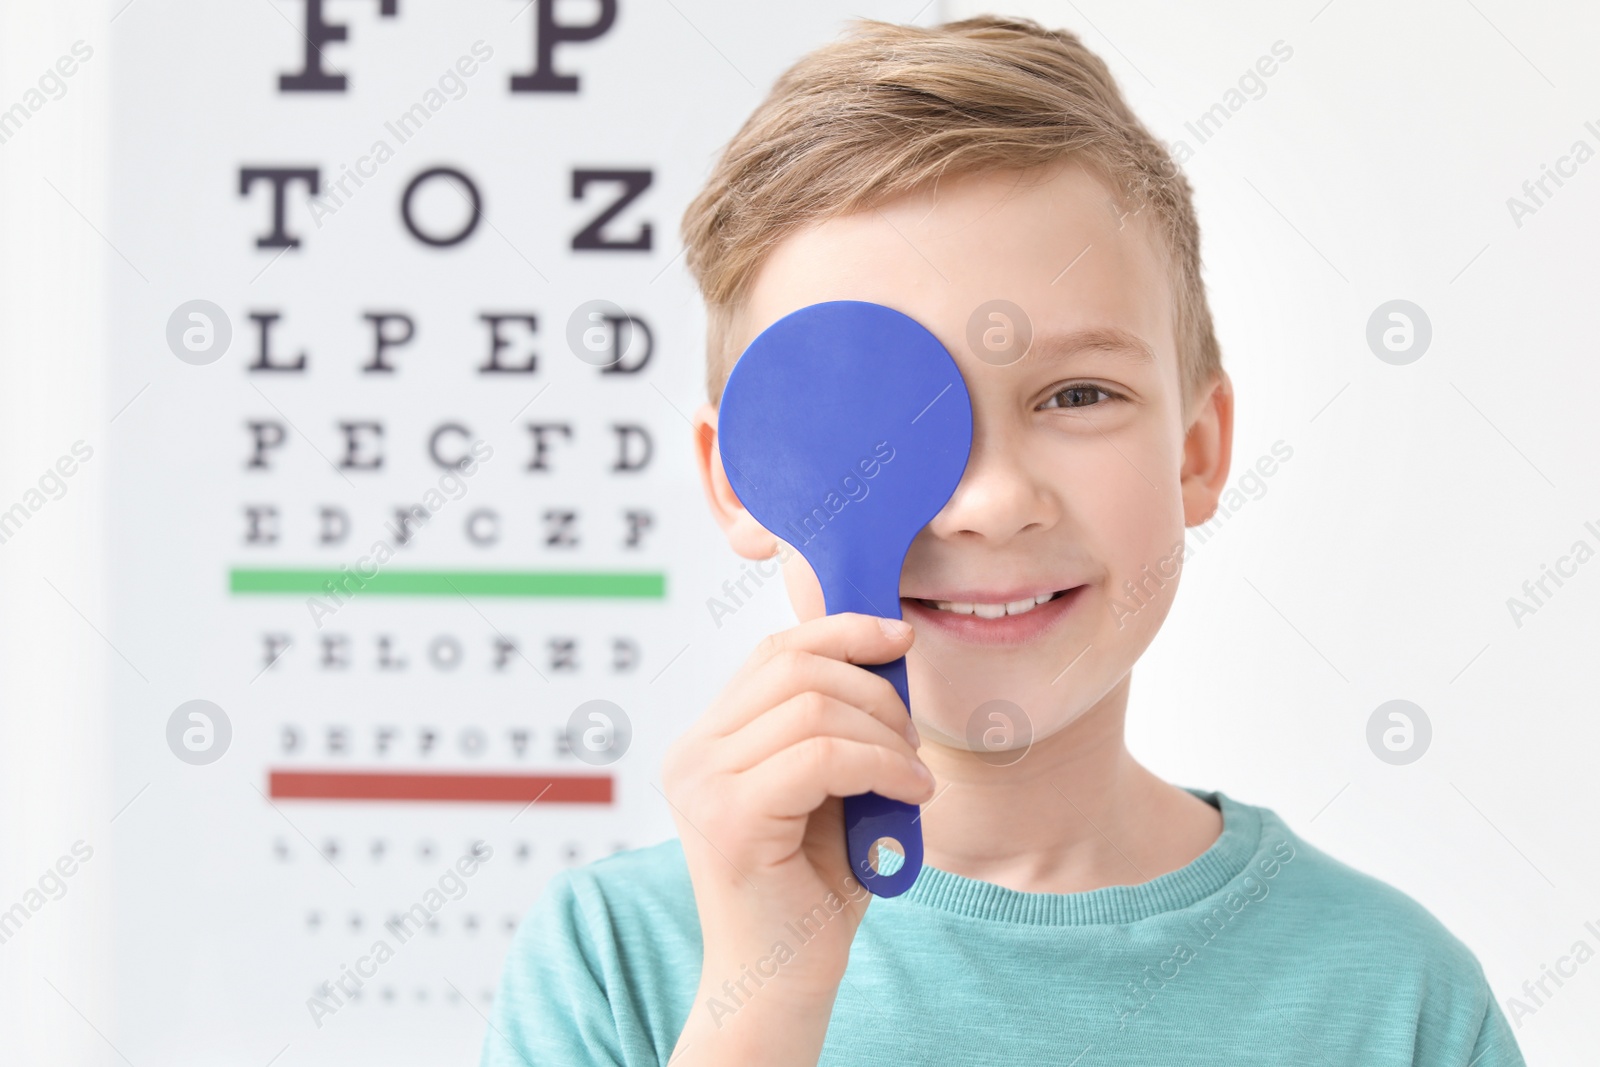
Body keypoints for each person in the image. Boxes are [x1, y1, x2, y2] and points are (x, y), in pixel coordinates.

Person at [481, 16, 1525, 1065]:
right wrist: (766, 993)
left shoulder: (1396, 1000)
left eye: (1076, 393)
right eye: (875, 422)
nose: (987, 499)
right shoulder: (616, 960)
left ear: (1198, 449)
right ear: (745, 478)